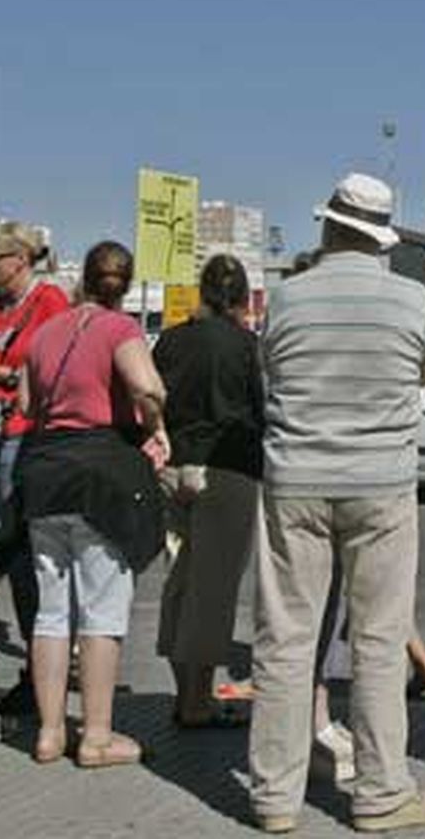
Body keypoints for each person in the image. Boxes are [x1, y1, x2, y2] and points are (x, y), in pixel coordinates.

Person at [249, 172, 425, 833]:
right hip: (381, 483)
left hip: (294, 480)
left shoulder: (285, 299)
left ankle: (274, 798)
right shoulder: (410, 298)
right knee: (378, 640)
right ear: (381, 237)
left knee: (283, 641)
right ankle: (380, 794)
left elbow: (270, 372)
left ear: (327, 225)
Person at [18, 240, 169, 768]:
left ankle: (50, 731)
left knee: (52, 612)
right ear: (124, 286)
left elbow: (25, 404)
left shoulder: (45, 332)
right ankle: (98, 735)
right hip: (98, 480)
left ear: (83, 277)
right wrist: (156, 423)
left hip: (44, 477)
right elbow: (148, 387)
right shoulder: (120, 329)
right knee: (101, 612)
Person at [153, 253, 264, 727]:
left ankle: (184, 694)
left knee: (178, 582)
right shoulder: (245, 346)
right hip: (227, 470)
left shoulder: (171, 341)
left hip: (172, 469)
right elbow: (259, 410)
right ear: (241, 298)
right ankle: (199, 701)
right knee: (213, 591)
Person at [0, 221, 69, 713]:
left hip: (21, 433)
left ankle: (41, 668)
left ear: (19, 260)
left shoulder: (48, 301)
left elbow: (47, 363)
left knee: (18, 546)